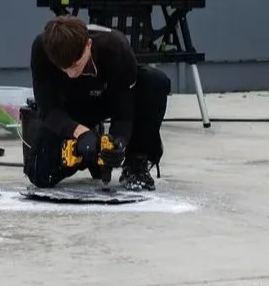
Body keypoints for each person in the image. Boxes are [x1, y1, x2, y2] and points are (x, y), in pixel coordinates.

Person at [24, 14, 169, 191]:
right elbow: (47, 109)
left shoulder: (116, 48)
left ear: (88, 45)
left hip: (107, 99)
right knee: (40, 174)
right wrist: (79, 132)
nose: (71, 74)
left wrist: (118, 143)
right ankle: (86, 155)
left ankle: (136, 163)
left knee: (155, 82)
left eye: (76, 66)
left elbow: (123, 114)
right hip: (69, 108)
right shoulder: (41, 49)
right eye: (64, 68)